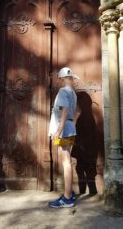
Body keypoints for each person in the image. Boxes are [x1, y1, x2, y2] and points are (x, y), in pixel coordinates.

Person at [48, 67, 79, 208]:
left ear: (61, 79)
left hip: (64, 130)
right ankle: (69, 194)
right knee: (67, 161)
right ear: (71, 78)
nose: (60, 81)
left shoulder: (62, 91)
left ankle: (67, 198)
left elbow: (65, 110)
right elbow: (77, 111)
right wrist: (71, 124)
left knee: (66, 162)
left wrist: (58, 131)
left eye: (60, 79)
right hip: (70, 128)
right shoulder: (73, 93)